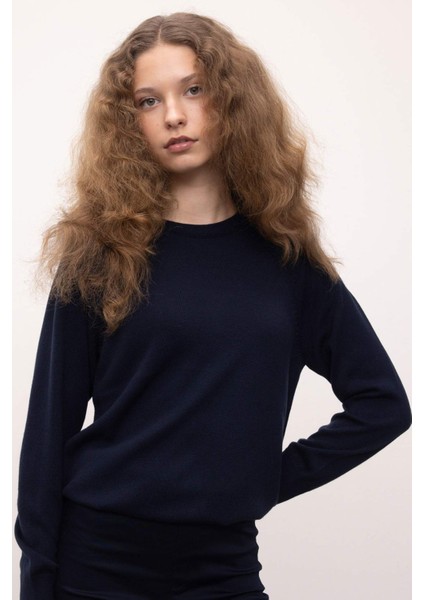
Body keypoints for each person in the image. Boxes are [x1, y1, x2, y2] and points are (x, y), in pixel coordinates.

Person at [14, 11, 412, 600]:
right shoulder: (100, 254)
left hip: (222, 570)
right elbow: (48, 434)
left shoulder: (289, 264)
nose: (173, 115)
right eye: (148, 101)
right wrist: (37, 579)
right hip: (95, 565)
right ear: (128, 122)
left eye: (194, 90)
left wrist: (264, 480)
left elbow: (383, 405)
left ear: (231, 99)